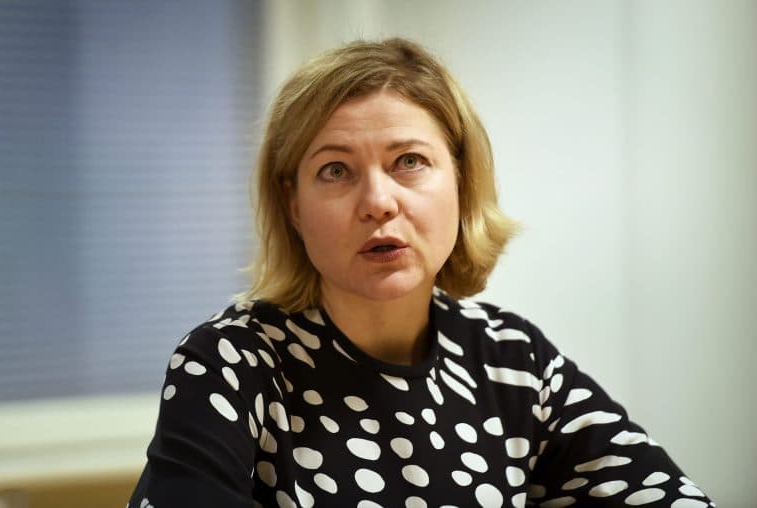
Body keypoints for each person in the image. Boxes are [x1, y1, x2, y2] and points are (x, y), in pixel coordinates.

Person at [128, 38, 713, 507]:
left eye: (409, 161)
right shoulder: (230, 362)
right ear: (293, 206)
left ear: (461, 180)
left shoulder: (514, 362)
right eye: (335, 170)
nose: (377, 202)